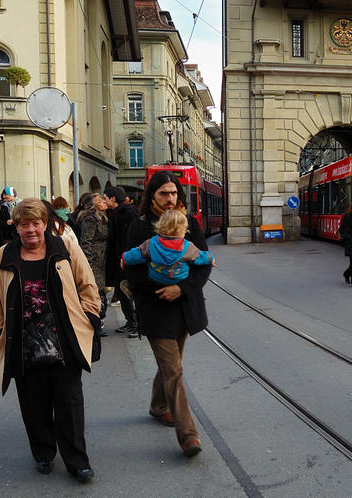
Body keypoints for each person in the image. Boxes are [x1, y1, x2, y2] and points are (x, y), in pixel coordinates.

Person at [0, 198, 100, 483]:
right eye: (24, 224)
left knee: (69, 403)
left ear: (46, 224)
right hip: (23, 343)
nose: (31, 229)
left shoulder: (64, 248)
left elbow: (87, 284)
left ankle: (77, 461)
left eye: (36, 223)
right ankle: (43, 452)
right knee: (34, 404)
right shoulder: (3, 257)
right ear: (16, 226)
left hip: (64, 341)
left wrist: (90, 317)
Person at [123, 170, 211, 458]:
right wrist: (164, 288)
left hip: (184, 307)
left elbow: (203, 264)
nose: (170, 198)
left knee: (171, 364)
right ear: (153, 195)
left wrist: (181, 289)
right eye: (164, 193)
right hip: (155, 308)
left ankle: (158, 405)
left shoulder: (190, 225)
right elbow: (131, 269)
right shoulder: (140, 227)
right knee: (173, 369)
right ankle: (189, 436)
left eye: (174, 193)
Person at [122, 209, 214, 285]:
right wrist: (211, 258)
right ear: (182, 230)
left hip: (155, 279)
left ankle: (130, 287)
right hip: (179, 279)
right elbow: (201, 257)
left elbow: (137, 254)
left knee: (137, 274)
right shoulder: (188, 247)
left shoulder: (151, 243)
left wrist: (125, 258)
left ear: (160, 227)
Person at [104, 186, 139, 335]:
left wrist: (125, 258)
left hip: (126, 261)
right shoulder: (117, 213)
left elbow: (128, 239)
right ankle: (131, 321)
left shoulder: (127, 213)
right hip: (120, 259)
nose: (104, 200)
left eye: (105, 197)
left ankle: (135, 323)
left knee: (127, 291)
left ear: (113, 198)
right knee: (121, 290)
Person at [77, 193, 109, 336]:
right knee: (95, 292)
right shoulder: (91, 218)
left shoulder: (101, 216)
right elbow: (86, 242)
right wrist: (88, 262)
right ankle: (96, 323)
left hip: (101, 259)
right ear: (94, 203)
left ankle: (98, 322)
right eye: (100, 199)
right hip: (94, 260)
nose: (104, 201)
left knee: (100, 291)